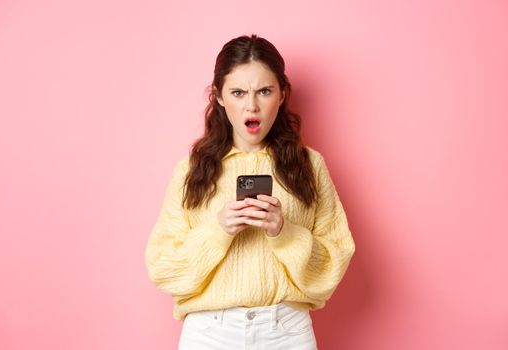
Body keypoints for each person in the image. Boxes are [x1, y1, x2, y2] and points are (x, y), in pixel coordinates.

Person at [145, 34, 355, 350]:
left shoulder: (310, 165)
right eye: (238, 92)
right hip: (209, 334)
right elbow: (163, 268)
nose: (251, 105)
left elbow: (333, 266)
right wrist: (219, 230)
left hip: (286, 332)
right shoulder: (191, 169)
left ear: (282, 94)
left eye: (265, 91)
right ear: (218, 96)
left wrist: (284, 232)